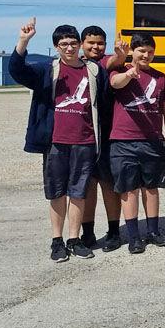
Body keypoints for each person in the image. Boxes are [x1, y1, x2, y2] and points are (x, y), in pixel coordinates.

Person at [10, 19, 109, 262]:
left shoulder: (94, 71)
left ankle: (74, 240)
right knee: (56, 192)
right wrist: (24, 40)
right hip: (55, 142)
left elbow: (104, 104)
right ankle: (57, 241)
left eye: (73, 43)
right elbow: (17, 70)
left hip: (85, 141)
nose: (69, 48)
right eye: (63, 44)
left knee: (78, 192)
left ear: (79, 45)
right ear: (56, 47)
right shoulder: (47, 70)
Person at [108, 32, 165, 254]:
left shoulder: (161, 78)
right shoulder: (120, 71)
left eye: (150, 51)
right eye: (141, 51)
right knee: (129, 190)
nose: (146, 55)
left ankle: (153, 231)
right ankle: (134, 236)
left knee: (152, 187)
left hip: (152, 140)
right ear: (133, 52)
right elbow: (116, 84)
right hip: (123, 141)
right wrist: (129, 73)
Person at [79, 26, 126, 251]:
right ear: (82, 44)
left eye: (100, 43)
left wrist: (121, 54)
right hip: (84, 135)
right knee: (87, 186)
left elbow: (112, 62)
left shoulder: (108, 63)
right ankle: (87, 232)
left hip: (108, 134)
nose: (96, 47)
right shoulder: (76, 65)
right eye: (91, 43)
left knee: (109, 184)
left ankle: (114, 231)